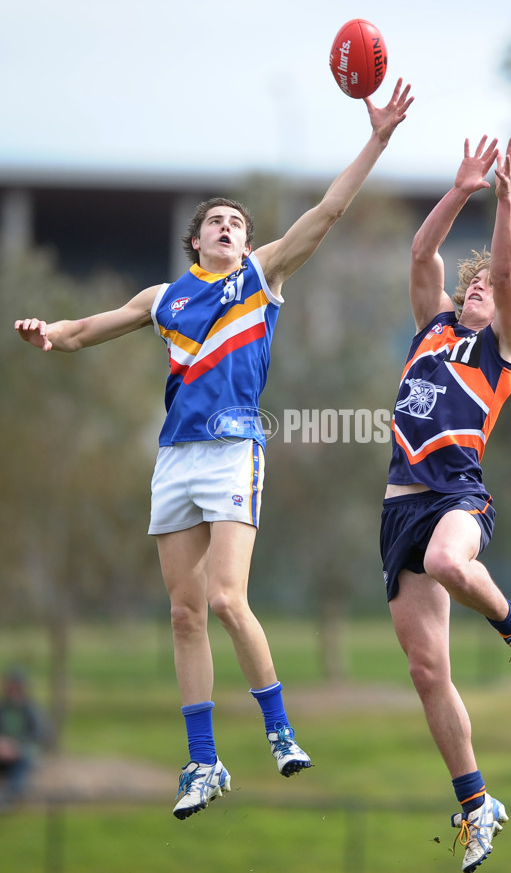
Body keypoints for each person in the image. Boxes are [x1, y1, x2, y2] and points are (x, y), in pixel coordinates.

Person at [15, 78, 414, 820]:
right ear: (194, 239)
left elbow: (327, 211)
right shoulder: (163, 298)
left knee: (229, 598)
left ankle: (280, 730)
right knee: (184, 614)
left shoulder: (262, 278)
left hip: (234, 451)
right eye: (217, 222)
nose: (229, 228)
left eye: (238, 221)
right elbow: (78, 331)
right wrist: (48, 332)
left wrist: (379, 137)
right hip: (176, 459)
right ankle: (203, 763)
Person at [379, 136, 511, 872]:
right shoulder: (434, 325)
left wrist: (506, 198)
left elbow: (510, 268)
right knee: (427, 671)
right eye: (477, 279)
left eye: (493, 284)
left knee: (450, 558)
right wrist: (459, 191)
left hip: (458, 494)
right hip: (398, 508)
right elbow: (422, 256)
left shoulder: (501, 348)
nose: (482, 283)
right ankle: (476, 803)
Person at [0, 667, 49, 809]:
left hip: (23, 750)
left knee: (23, 763)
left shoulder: (32, 709)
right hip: (4, 751)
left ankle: (10, 796)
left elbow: (39, 734)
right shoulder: (3, 708)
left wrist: (16, 745)